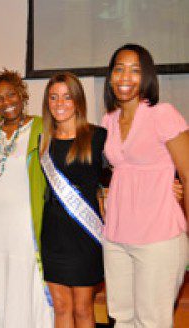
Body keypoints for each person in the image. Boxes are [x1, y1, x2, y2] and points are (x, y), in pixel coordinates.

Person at [102, 43, 189, 327]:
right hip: (116, 236)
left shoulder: (162, 114)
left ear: (147, 77)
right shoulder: (108, 120)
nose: (125, 77)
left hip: (159, 236)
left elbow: (187, 175)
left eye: (135, 70)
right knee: (122, 318)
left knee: (151, 321)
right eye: (119, 69)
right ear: (111, 75)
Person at [0, 69, 53, 327]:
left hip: (26, 225)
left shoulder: (42, 127)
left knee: (24, 279)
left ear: (22, 96)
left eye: (11, 95)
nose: (6, 102)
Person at [39, 72, 106, 327]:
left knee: (83, 309)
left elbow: (124, 172)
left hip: (85, 236)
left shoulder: (98, 137)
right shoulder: (43, 141)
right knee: (62, 307)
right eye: (53, 97)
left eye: (67, 97)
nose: (60, 103)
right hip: (53, 235)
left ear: (78, 100)